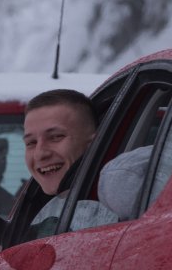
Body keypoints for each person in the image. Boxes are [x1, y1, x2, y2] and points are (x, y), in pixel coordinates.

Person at [22, 89, 116, 238]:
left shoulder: (119, 210)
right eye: (31, 142)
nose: (40, 154)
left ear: (94, 143)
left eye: (56, 137)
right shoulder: (47, 213)